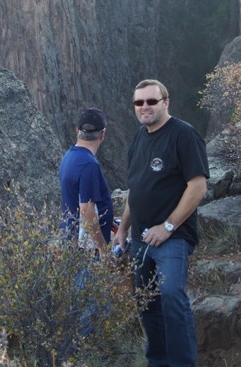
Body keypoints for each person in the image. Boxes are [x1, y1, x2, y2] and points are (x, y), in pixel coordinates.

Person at [114, 79, 208, 367]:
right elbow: (135, 189)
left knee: (170, 294)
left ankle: (182, 363)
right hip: (141, 239)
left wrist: (167, 227)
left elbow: (197, 186)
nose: (145, 107)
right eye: (139, 102)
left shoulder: (184, 135)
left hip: (173, 238)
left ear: (165, 102)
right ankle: (158, 361)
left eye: (151, 101)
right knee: (146, 302)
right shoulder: (139, 138)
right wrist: (123, 228)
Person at [60, 106, 114, 256]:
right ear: (102, 135)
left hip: (71, 239)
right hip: (87, 249)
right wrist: (104, 251)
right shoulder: (88, 164)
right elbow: (87, 211)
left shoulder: (69, 157)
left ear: (77, 131)